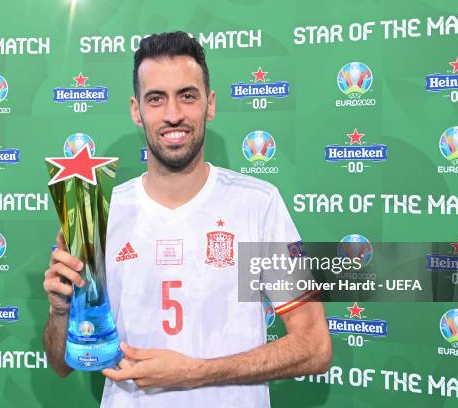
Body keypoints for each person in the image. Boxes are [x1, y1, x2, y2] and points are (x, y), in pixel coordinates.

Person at [43, 31, 331, 407]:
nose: (173, 114)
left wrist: (195, 372)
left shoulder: (257, 205)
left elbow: (314, 346)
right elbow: (61, 364)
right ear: (136, 110)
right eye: (156, 99)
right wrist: (59, 311)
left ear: (209, 105)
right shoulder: (100, 212)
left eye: (187, 96)